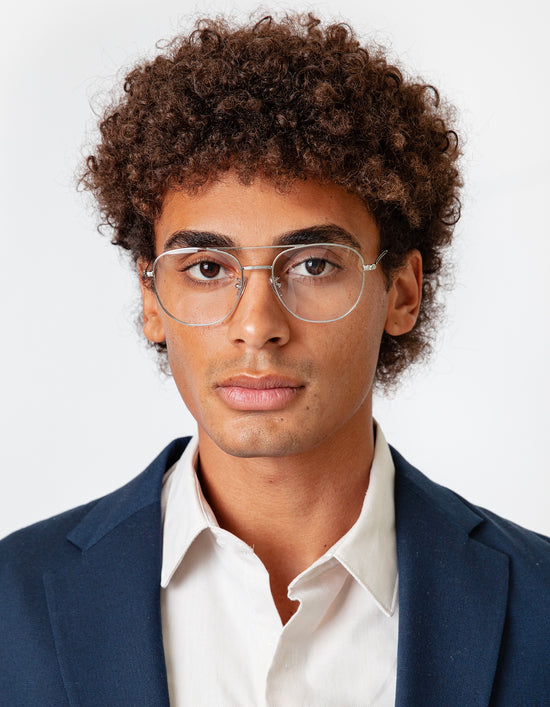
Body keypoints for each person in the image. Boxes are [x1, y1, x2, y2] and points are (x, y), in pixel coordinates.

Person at [1, 13, 548, 706]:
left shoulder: (539, 604)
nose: (256, 325)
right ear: (150, 298)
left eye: (314, 263)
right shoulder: (12, 602)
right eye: (205, 267)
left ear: (402, 293)